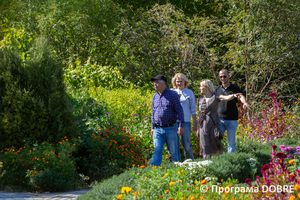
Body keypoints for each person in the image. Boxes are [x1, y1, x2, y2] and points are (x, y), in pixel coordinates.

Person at [196, 79, 241, 158]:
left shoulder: (215, 96)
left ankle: (216, 164)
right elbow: (199, 114)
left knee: (215, 144)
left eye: (201, 86)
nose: (200, 88)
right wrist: (197, 128)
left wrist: (234, 95)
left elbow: (226, 98)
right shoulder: (201, 99)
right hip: (203, 125)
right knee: (204, 144)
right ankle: (206, 164)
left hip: (214, 124)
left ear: (207, 87)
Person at [150, 74, 184, 166]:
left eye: (157, 82)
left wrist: (181, 126)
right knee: (156, 151)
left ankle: (174, 173)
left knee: (173, 153)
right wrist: (152, 127)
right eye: (154, 83)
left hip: (171, 128)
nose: (155, 84)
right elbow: (153, 113)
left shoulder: (173, 95)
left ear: (164, 83)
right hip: (157, 129)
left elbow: (180, 111)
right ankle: (154, 172)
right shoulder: (154, 97)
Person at [215, 69, 250, 153]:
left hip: (232, 119)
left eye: (224, 76)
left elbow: (240, 96)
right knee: (216, 140)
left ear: (228, 76)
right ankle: (218, 159)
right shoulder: (217, 89)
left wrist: (245, 103)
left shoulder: (235, 88)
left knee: (231, 143)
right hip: (219, 119)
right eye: (221, 76)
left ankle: (231, 160)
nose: (222, 78)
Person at [171, 73, 197, 161]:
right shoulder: (172, 92)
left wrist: (195, 122)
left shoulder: (189, 92)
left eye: (181, 81)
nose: (179, 83)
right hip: (174, 121)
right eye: (177, 81)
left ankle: (190, 162)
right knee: (175, 144)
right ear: (175, 82)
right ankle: (177, 163)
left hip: (185, 121)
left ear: (185, 82)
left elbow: (193, 108)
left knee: (186, 144)